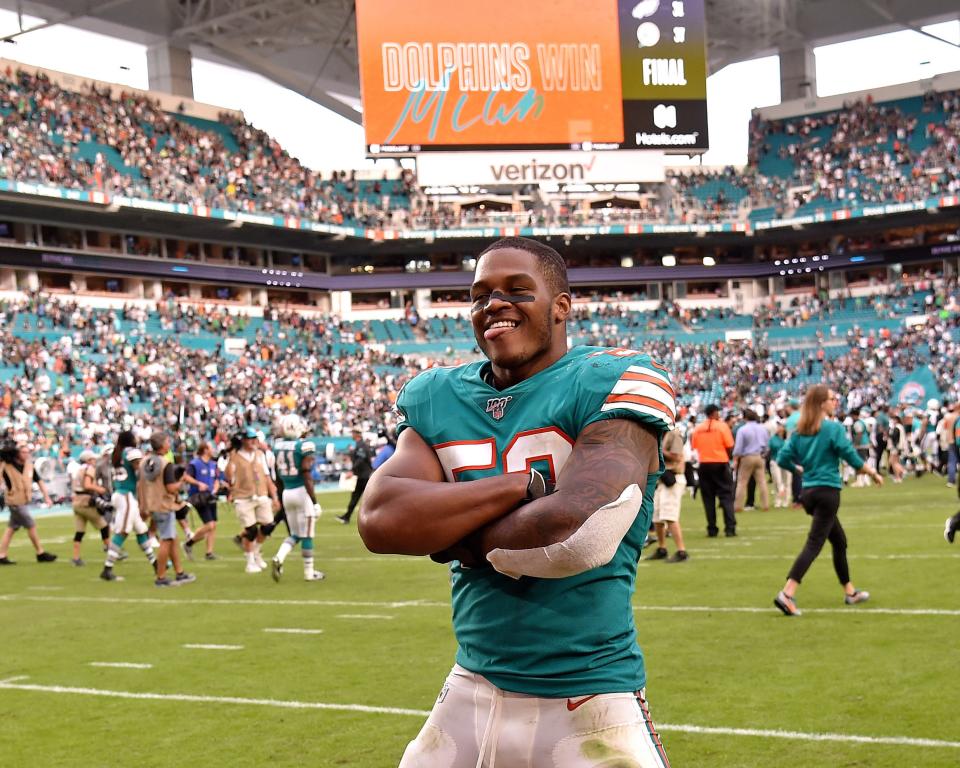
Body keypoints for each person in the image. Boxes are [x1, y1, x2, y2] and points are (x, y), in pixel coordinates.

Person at [359, 237, 675, 767]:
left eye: (517, 290)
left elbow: (581, 532)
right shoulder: (438, 393)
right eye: (481, 294)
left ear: (562, 305)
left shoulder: (613, 378)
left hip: (588, 693)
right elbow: (379, 519)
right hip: (471, 685)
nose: (495, 303)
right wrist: (521, 486)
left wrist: (452, 536)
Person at [773, 385, 883, 616]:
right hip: (827, 492)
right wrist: (872, 473)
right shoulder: (832, 428)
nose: (836, 402)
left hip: (809, 493)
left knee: (839, 541)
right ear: (822, 403)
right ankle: (787, 592)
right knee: (814, 543)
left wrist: (799, 470)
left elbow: (782, 458)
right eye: (833, 399)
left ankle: (850, 592)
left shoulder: (800, 430)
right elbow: (849, 454)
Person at [271, 414, 324, 582]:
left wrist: (280, 496)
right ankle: (309, 573)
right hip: (302, 492)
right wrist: (314, 502)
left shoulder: (277, 446)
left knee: (295, 534)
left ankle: (279, 557)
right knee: (307, 534)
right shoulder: (304, 446)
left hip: (287, 492)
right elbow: (307, 474)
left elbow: (277, 477)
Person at [139, 432, 196, 587]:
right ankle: (161, 576)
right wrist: (182, 481)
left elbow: (141, 485)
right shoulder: (166, 463)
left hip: (151, 504)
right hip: (164, 505)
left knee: (172, 539)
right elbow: (171, 488)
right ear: (162, 444)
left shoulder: (144, 461)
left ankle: (179, 572)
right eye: (167, 441)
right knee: (166, 540)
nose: (169, 444)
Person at [101, 430, 157, 582]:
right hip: (126, 495)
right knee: (122, 532)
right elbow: (141, 468)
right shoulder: (131, 452)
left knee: (141, 531)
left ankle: (156, 564)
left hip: (121, 494)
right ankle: (107, 569)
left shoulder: (115, 452)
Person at [226, 427, 280, 573]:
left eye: (254, 438)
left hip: (261, 494)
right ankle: (250, 561)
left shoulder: (259, 454)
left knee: (268, 525)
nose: (253, 441)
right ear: (243, 440)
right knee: (250, 530)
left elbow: (267, 476)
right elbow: (229, 475)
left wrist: (274, 496)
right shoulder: (235, 456)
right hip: (243, 496)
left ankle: (256, 552)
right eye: (250, 438)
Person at [0, 440, 57, 565]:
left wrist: (47, 497)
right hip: (14, 501)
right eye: (23, 452)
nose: (26, 454)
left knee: (11, 529)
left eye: (27, 452)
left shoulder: (29, 465)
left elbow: (39, 481)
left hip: (24, 500)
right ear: (17, 453)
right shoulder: (6, 465)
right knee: (31, 525)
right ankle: (40, 553)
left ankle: (1, 555)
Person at [690, 404, 737, 537]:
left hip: (704, 464)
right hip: (720, 463)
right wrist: (726, 457)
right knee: (726, 496)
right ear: (715, 412)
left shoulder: (698, 428)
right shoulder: (722, 426)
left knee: (708, 499)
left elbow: (695, 447)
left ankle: (712, 528)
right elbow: (729, 445)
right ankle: (730, 528)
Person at [647, 425, 688, 562]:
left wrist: (657, 449)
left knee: (670, 516)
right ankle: (662, 548)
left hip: (673, 478)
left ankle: (681, 551)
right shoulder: (662, 433)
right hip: (663, 479)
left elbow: (676, 456)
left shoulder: (675, 434)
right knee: (657, 518)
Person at [70, 449, 111, 566]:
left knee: (79, 531)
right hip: (85, 502)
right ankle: (111, 550)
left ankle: (76, 557)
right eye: (93, 459)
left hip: (76, 502)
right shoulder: (89, 469)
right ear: (88, 460)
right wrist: (100, 489)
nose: (95, 461)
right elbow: (87, 485)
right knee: (104, 526)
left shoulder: (79, 469)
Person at [183, 442, 219, 561]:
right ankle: (188, 543)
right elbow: (186, 477)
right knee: (209, 525)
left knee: (213, 525)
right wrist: (198, 483)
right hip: (199, 497)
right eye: (211, 447)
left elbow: (217, 479)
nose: (213, 449)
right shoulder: (195, 463)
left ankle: (209, 552)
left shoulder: (213, 464)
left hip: (210, 496)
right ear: (205, 450)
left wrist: (216, 487)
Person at [732, 409, 769, 512]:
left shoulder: (743, 430)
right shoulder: (762, 429)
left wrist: (735, 459)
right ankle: (765, 505)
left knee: (742, 482)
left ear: (745, 418)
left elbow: (738, 447)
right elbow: (767, 445)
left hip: (747, 457)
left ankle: (738, 506)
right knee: (762, 481)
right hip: (759, 456)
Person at [336, 429, 373, 524]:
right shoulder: (360, 445)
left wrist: (352, 470)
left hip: (363, 476)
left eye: (353, 433)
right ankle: (347, 516)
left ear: (357, 434)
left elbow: (360, 459)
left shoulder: (362, 445)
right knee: (357, 497)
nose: (351, 435)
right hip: (361, 476)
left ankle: (348, 516)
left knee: (364, 498)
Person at [768, 423, 790, 507]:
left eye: (781, 426)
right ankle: (778, 500)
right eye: (778, 426)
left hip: (787, 461)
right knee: (777, 481)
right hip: (775, 461)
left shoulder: (787, 439)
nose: (779, 428)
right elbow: (770, 448)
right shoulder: (773, 439)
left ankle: (786, 500)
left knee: (787, 481)